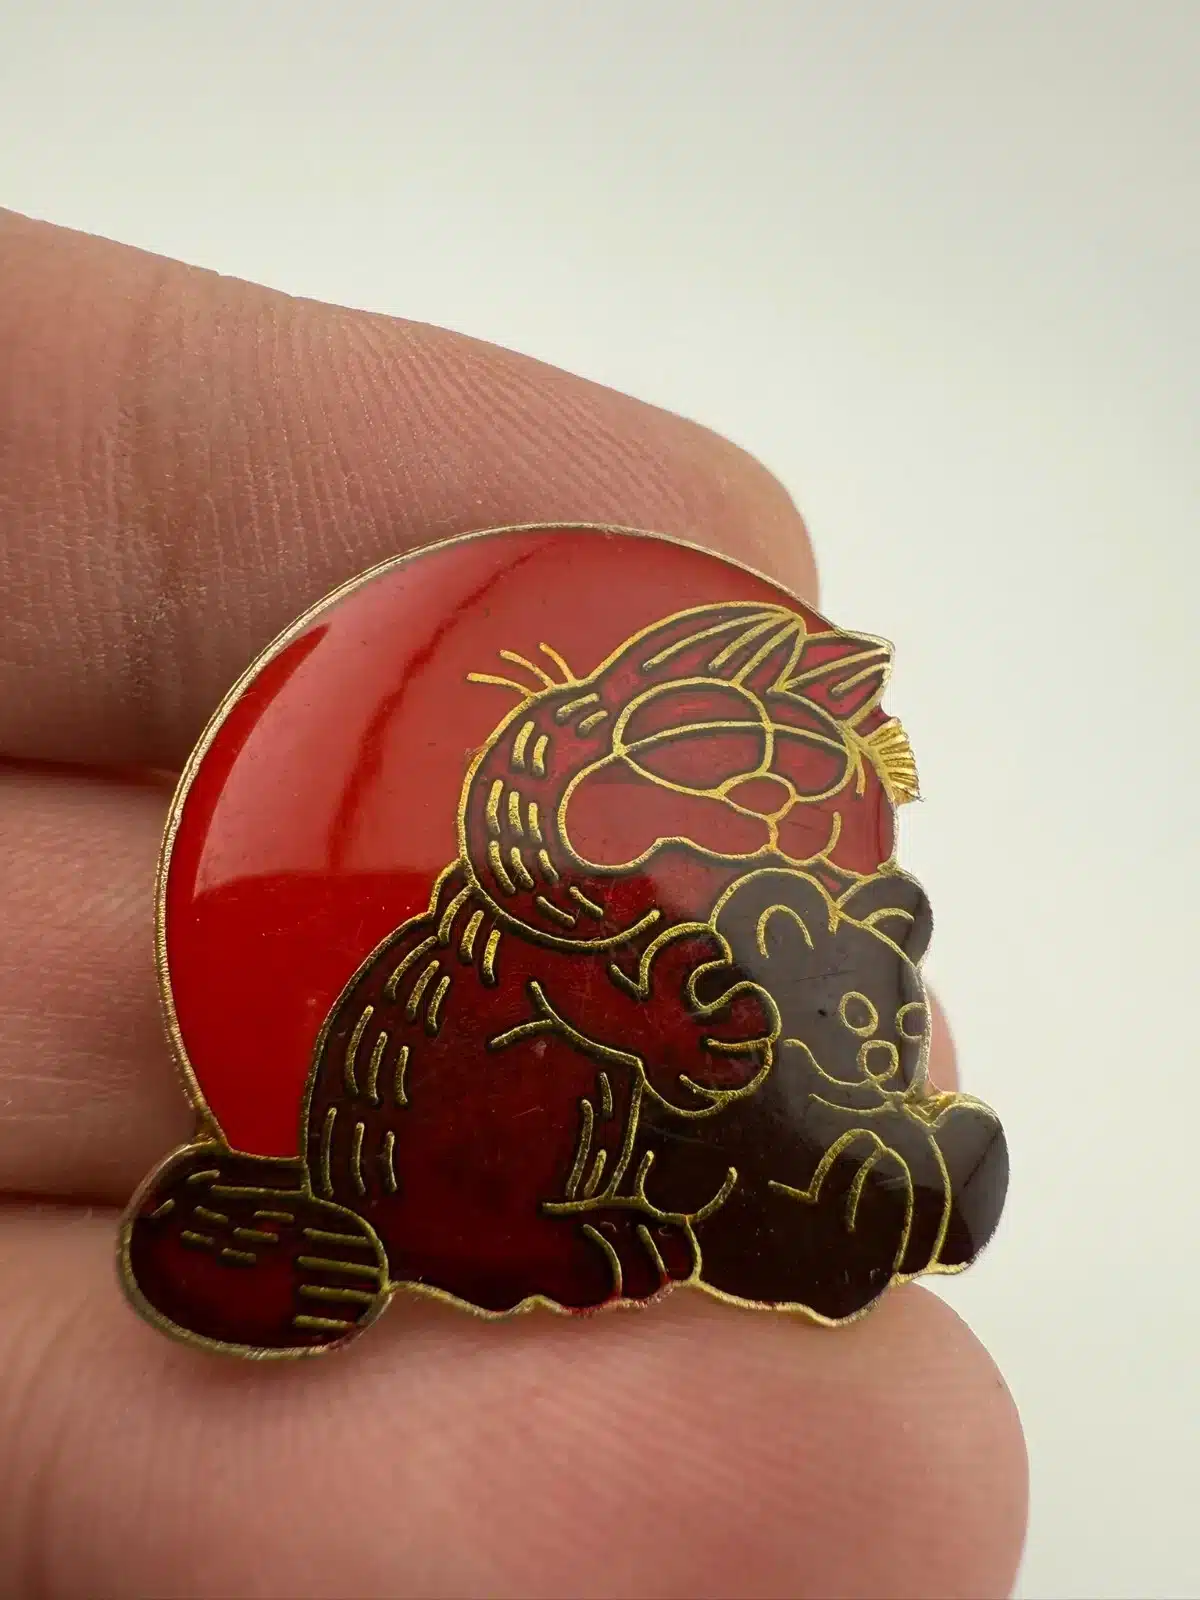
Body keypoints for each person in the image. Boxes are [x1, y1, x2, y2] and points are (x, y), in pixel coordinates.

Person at [0, 208, 1028, 1599]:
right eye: (741, 789)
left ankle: (852, 1200)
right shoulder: (551, 931)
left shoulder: (709, 919)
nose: (772, 826)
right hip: (476, 1168)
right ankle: (548, 1234)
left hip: (611, 1132)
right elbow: (659, 1036)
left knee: (739, 1147)